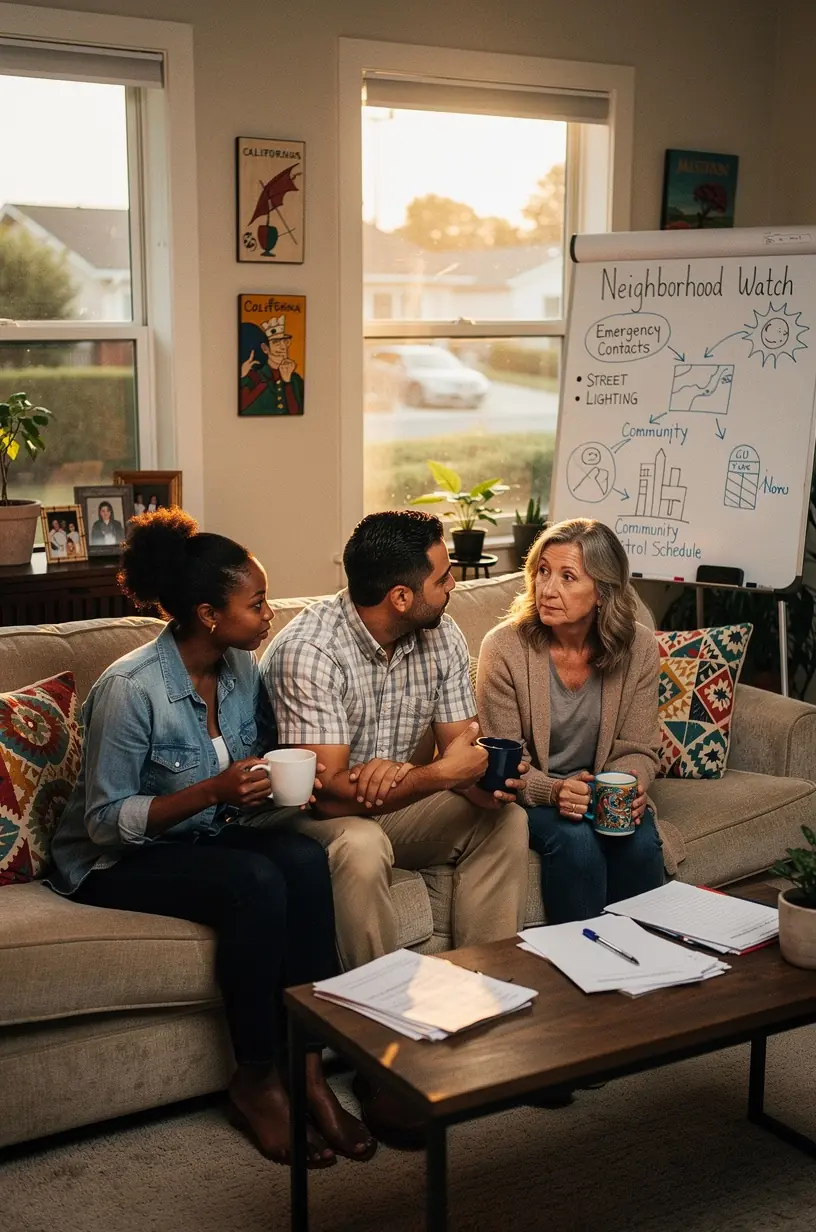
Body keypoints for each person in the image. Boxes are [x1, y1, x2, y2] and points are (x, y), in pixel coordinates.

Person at [47, 509, 375, 1168]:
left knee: (305, 861)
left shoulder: (239, 670)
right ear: (207, 614)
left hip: (202, 835)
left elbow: (247, 764)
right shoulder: (130, 689)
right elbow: (105, 821)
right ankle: (255, 1080)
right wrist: (216, 791)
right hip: (112, 860)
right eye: (256, 605)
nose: (268, 615)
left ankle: (306, 1069)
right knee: (253, 884)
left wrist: (281, 781)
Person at [259, 510, 530, 967]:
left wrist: (484, 780)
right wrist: (439, 774)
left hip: (394, 804)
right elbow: (327, 797)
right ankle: (374, 1019)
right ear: (401, 597)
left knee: (507, 821)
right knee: (361, 844)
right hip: (301, 819)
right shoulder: (311, 651)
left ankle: (486, 984)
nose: (453, 586)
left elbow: (460, 749)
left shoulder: (441, 635)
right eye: (443, 580)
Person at [477, 517, 684, 925]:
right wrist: (553, 791)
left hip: (599, 789)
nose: (547, 589)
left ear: (602, 594)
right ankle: (580, 968)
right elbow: (503, 764)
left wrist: (631, 785)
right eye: (543, 571)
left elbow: (639, 748)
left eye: (568, 577)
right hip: (536, 793)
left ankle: (649, 967)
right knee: (578, 843)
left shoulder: (638, 646)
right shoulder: (503, 648)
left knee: (638, 842)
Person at [240, 318, 304, 416]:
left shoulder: (295, 379)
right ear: (265, 349)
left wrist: (287, 383)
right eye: (276, 343)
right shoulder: (254, 377)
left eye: (285, 342)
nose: (283, 347)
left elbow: (298, 413)